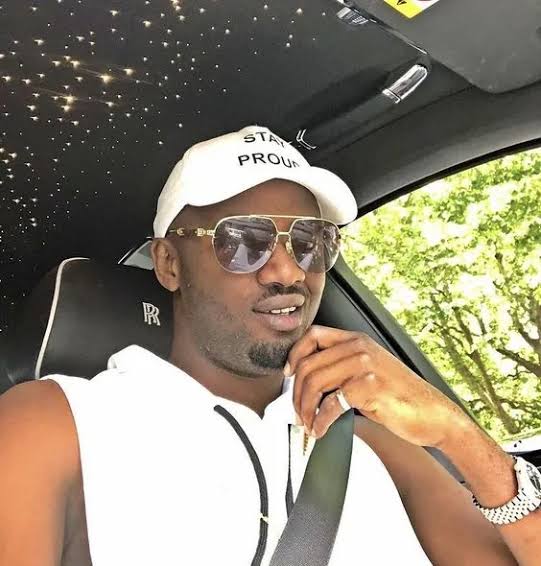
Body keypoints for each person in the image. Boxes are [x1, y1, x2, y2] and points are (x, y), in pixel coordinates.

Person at [0, 126, 539, 566]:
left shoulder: (372, 442)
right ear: (169, 264)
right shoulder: (55, 423)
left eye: (310, 242)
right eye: (243, 241)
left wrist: (456, 432)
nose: (289, 271)